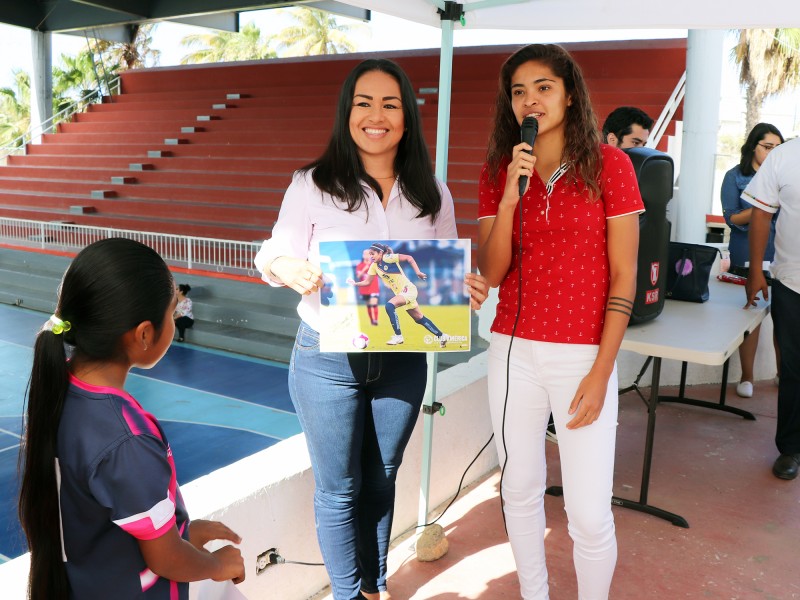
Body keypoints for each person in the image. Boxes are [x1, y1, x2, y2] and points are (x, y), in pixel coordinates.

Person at [252, 58, 488, 600]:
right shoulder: (312, 185)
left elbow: (439, 269)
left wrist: (465, 288)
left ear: (407, 117)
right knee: (339, 491)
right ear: (347, 113)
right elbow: (272, 252)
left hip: (402, 360)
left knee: (382, 479)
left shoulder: (433, 193)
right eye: (364, 103)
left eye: (390, 103)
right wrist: (283, 267)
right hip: (325, 360)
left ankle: (374, 586)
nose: (376, 115)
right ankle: (346, 593)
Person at [477, 44, 644, 599]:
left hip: (581, 355)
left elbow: (625, 276)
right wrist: (507, 199)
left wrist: (602, 371)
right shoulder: (500, 170)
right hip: (511, 350)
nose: (531, 99)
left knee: (589, 512)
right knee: (519, 490)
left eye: (543, 87)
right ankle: (534, 593)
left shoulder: (611, 165)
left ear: (569, 94)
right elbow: (493, 272)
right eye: (519, 91)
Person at [17, 238, 245, 599]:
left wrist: (185, 530)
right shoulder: (127, 440)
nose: (173, 319)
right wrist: (220, 566)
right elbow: (166, 560)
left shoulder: (60, 389)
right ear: (143, 334)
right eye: (171, 312)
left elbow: (106, 515)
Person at [743, 136, 800, 480]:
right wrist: (754, 270)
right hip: (791, 283)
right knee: (794, 368)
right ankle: (791, 448)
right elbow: (761, 214)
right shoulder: (783, 156)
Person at [721, 123, 784, 398]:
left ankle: (784, 375)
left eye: (778, 148)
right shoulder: (734, 176)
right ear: (753, 147)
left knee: (784, 320)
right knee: (751, 318)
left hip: (783, 256)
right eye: (767, 146)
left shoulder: (787, 178)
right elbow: (732, 219)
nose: (773, 152)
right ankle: (747, 377)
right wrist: (764, 205)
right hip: (747, 255)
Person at [346, 242, 447, 347]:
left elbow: (409, 258)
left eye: (373, 254)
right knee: (419, 318)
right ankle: (442, 336)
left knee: (389, 305)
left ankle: (398, 336)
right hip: (402, 293)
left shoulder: (388, 258)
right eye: (370, 254)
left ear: (380, 253)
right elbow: (367, 281)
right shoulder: (374, 266)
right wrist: (355, 283)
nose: (371, 256)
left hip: (408, 289)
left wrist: (418, 272)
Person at [355, 248, 381, 325]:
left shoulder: (375, 264)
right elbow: (358, 276)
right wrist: (365, 269)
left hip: (374, 288)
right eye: (365, 254)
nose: (366, 255)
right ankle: (371, 321)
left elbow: (380, 275)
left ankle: (375, 320)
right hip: (364, 289)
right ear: (362, 255)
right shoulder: (360, 265)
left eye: (368, 254)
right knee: (369, 305)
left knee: (374, 303)